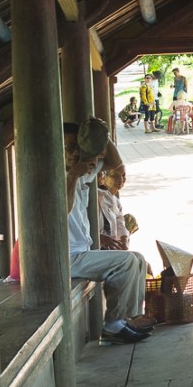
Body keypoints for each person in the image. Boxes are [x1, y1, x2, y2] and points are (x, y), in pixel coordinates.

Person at [64, 117, 151, 345]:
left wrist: (102, 134)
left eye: (79, 148)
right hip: (67, 258)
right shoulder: (63, 176)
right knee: (127, 263)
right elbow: (63, 208)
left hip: (81, 253)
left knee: (138, 260)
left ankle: (122, 320)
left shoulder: (83, 173)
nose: (74, 154)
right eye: (70, 148)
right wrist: (73, 174)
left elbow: (115, 162)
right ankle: (113, 324)